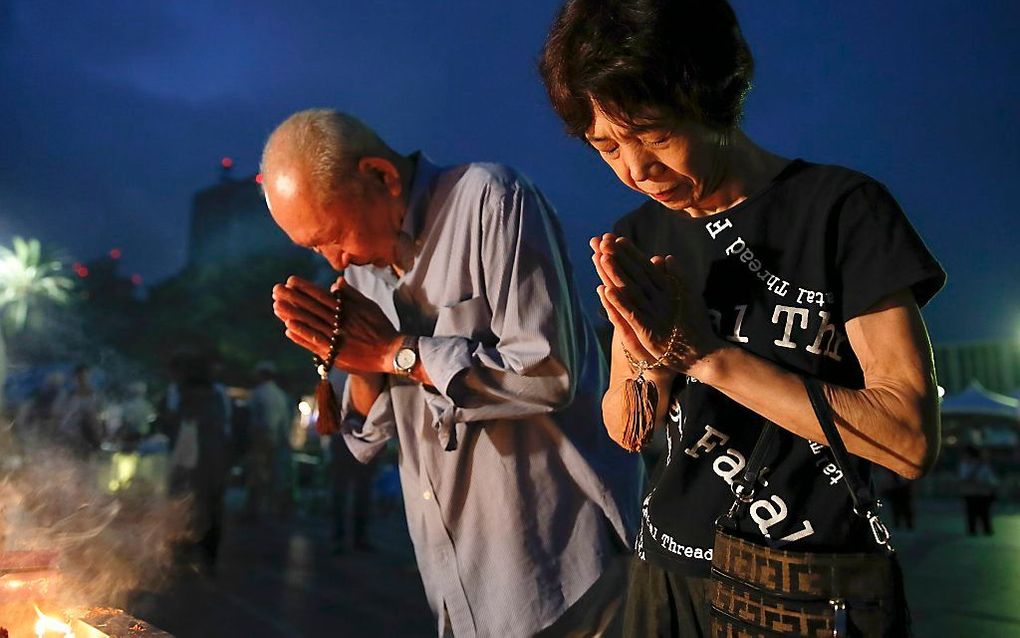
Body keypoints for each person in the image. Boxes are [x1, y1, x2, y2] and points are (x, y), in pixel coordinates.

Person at [538, 0, 946, 634]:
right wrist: (645, 352)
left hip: (803, 582)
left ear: (713, 97)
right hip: (666, 574)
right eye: (607, 148)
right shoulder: (639, 236)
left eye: (655, 134)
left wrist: (709, 357)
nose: (638, 171)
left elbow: (909, 438)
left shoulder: (841, 211)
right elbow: (625, 429)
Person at [264, 109, 640, 637]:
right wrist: (354, 355)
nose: (333, 261)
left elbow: (548, 372)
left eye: (333, 236)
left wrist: (397, 352)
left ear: (382, 176)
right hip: (456, 577)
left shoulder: (490, 199)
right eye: (313, 249)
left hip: (560, 566)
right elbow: (367, 443)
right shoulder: (365, 276)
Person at [157, 351, 230, 574]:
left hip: (201, 467)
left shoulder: (201, 401)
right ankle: (194, 554)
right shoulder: (212, 399)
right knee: (201, 509)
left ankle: (191, 554)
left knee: (194, 509)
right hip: (206, 466)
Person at [244, 361, 294, 520]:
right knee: (274, 475)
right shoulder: (280, 395)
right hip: (277, 439)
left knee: (257, 474)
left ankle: (254, 510)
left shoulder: (258, 393)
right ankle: (274, 510)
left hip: (261, 437)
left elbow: (252, 418)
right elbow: (285, 421)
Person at [959, 445, 997, 536]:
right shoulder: (966, 464)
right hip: (974, 493)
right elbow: (964, 478)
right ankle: (976, 531)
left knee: (982, 514)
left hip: (979, 493)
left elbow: (990, 479)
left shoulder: (980, 465)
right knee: (974, 514)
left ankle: (984, 530)